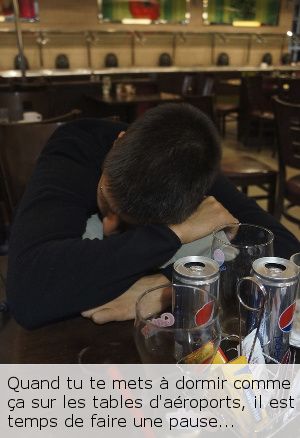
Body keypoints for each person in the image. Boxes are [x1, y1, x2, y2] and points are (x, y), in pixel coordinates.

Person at [6, 103, 300, 329]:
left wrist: (168, 288)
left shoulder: (188, 167)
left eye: (125, 222)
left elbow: (285, 251)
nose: (109, 226)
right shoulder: (75, 149)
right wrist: (174, 234)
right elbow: (28, 292)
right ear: (118, 142)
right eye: (106, 198)